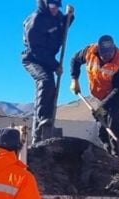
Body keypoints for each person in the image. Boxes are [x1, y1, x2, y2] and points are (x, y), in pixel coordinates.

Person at [69, 34, 119, 159]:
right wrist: (74, 79)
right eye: (104, 54)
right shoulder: (89, 51)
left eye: (110, 54)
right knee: (101, 123)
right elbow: (75, 60)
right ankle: (107, 153)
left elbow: (118, 89)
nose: (107, 57)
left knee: (113, 116)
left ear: (114, 49)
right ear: (99, 50)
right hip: (102, 93)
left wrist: (103, 107)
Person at [23, 0, 73, 146]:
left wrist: (70, 16)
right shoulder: (35, 20)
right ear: (45, 4)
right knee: (45, 81)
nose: (55, 9)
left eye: (58, 7)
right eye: (52, 6)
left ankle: (48, 119)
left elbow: (63, 29)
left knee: (51, 87)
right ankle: (41, 122)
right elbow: (36, 49)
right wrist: (55, 64)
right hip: (33, 59)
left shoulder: (57, 17)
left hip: (48, 59)